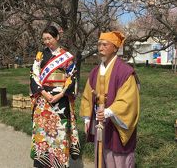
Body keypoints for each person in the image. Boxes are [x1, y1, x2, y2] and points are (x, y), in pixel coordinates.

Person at [80, 31, 140, 168]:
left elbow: (128, 100)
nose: (100, 48)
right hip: (100, 124)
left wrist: (109, 111)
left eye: (105, 44)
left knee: (118, 159)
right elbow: (87, 95)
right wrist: (87, 119)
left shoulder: (125, 72)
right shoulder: (95, 72)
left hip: (116, 123)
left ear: (115, 48)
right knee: (101, 157)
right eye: (99, 44)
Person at [30, 25, 80, 168]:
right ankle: (42, 162)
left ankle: (59, 162)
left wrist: (62, 93)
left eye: (49, 38)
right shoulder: (40, 55)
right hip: (43, 99)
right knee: (43, 131)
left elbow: (72, 77)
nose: (47, 42)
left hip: (61, 100)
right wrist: (43, 92)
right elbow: (34, 75)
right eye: (44, 39)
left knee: (60, 132)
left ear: (57, 37)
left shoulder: (66, 56)